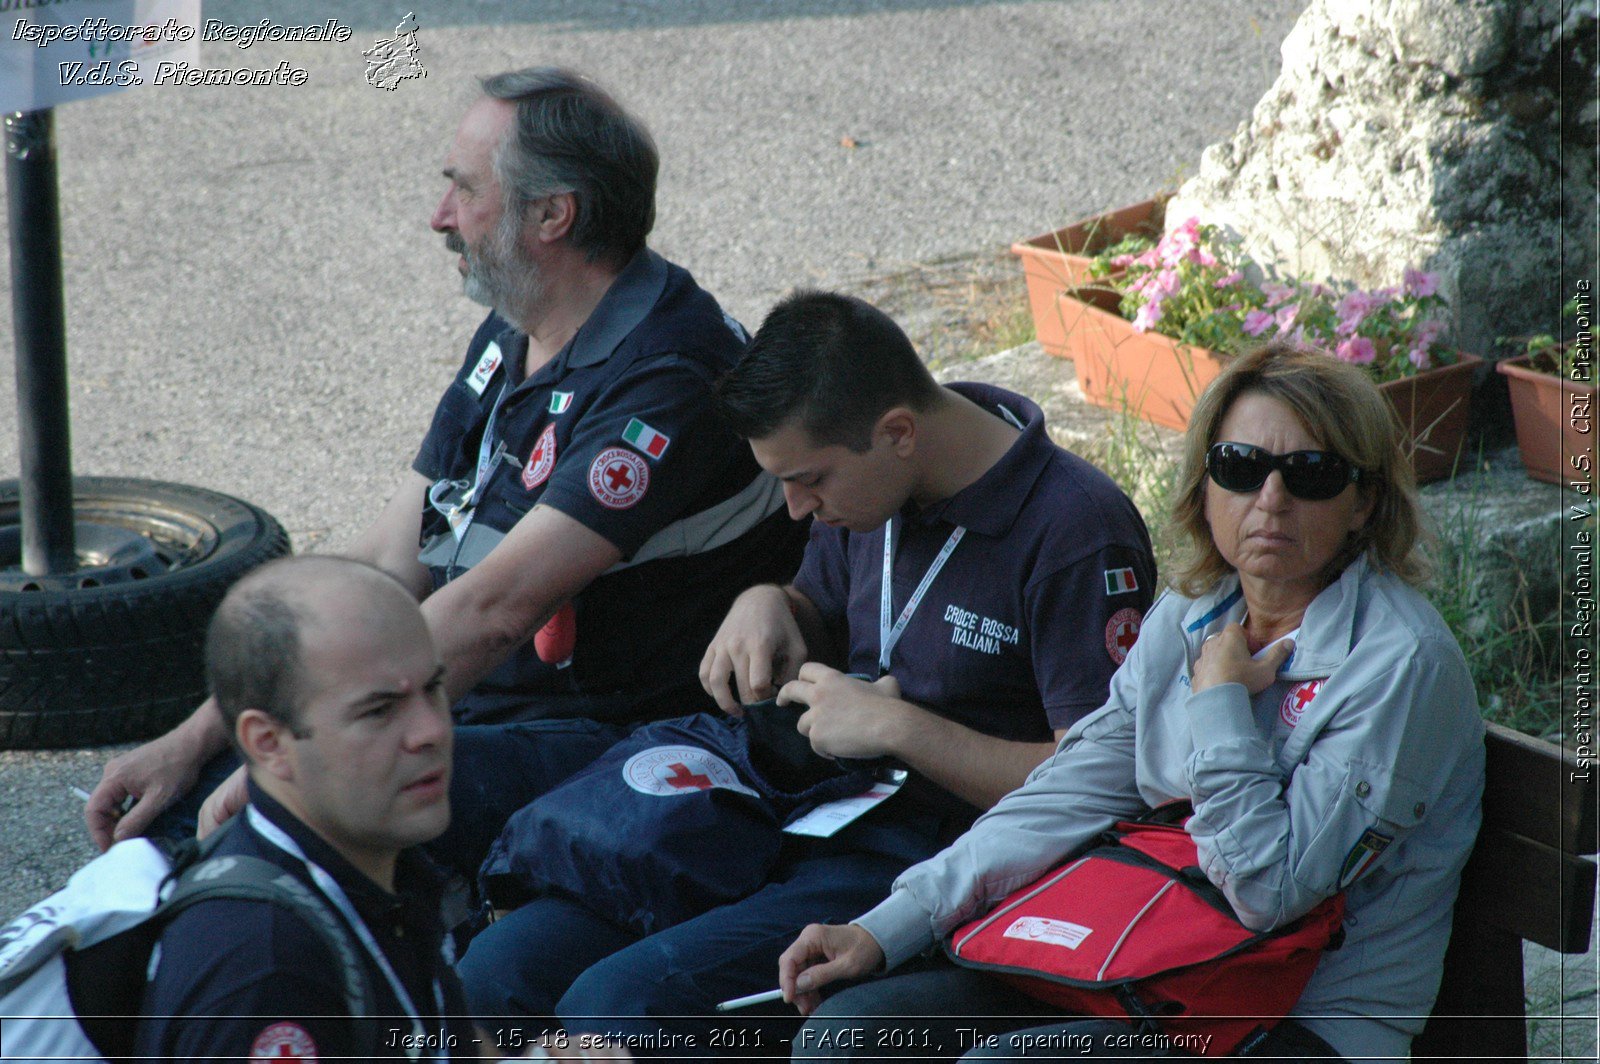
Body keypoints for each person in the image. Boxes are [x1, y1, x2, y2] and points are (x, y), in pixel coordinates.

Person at [86, 67, 806, 852]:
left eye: (463, 191)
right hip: (465, 699)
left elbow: (493, 612)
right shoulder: (521, 324)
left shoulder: (666, 377)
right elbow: (387, 562)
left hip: (602, 736)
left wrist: (310, 748)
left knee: (271, 830)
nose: (439, 217)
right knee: (169, 816)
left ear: (552, 214)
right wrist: (202, 731)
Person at [456, 291, 1157, 1056]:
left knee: (622, 1005)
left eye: (808, 480)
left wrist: (899, 728)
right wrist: (772, 600)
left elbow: (1099, 785)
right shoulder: (875, 484)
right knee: (500, 972)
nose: (794, 510)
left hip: (935, 852)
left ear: (897, 433)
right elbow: (821, 604)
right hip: (798, 803)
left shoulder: (1076, 531)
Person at [777, 341, 1486, 1063]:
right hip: (1153, 963)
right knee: (847, 1038)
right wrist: (890, 925)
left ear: (1364, 501)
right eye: (1240, 469)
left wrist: (1218, 710)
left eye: (1311, 475)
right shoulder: (1192, 613)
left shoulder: (1400, 662)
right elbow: (1067, 791)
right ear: (1205, 484)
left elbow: (1270, 893)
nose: (1270, 502)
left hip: (1300, 1017)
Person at [132, 555, 477, 1061]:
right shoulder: (267, 970)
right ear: (268, 742)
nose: (431, 731)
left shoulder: (379, 861)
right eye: (379, 711)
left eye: (433, 688)